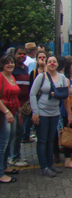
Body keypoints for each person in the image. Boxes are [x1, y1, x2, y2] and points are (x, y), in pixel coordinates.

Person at [29, 55, 70, 177]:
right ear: (46, 64)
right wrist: (35, 112)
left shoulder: (62, 77)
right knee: (42, 140)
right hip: (42, 112)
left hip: (55, 112)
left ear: (57, 64)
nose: (52, 64)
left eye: (54, 62)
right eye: (49, 62)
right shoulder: (41, 77)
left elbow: (65, 94)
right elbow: (32, 94)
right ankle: (44, 166)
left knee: (51, 140)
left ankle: (50, 164)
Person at [0, 55, 22, 183]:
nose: (10, 65)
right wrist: (7, 112)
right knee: (2, 142)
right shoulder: (1, 77)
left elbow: (15, 96)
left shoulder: (12, 77)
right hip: (4, 114)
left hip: (13, 112)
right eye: (7, 63)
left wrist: (19, 112)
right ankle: (0, 173)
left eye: (12, 62)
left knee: (10, 141)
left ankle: (4, 167)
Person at [9, 46, 30, 168]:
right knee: (16, 132)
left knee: (19, 131)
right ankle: (14, 157)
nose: (22, 56)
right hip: (14, 105)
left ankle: (14, 155)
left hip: (24, 105)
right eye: (19, 54)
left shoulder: (25, 68)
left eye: (24, 54)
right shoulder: (12, 69)